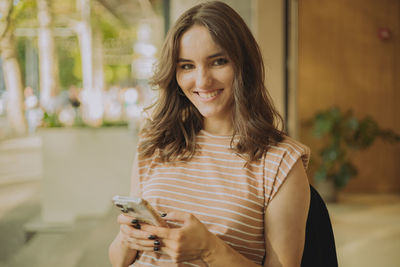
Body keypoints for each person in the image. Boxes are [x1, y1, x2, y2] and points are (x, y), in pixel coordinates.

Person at [109, 1, 310, 266]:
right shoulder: (155, 142)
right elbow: (118, 261)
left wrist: (208, 250)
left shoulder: (281, 162)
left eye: (218, 61)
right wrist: (127, 238)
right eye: (187, 66)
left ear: (243, 65)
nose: (202, 81)